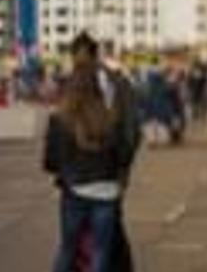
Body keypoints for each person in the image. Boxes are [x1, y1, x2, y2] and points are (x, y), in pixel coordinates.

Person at [43, 32, 140, 272]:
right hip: (107, 182)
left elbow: (52, 156)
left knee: (71, 246)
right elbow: (129, 131)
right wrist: (122, 168)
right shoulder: (113, 91)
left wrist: (64, 171)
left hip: (77, 182)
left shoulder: (69, 93)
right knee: (101, 249)